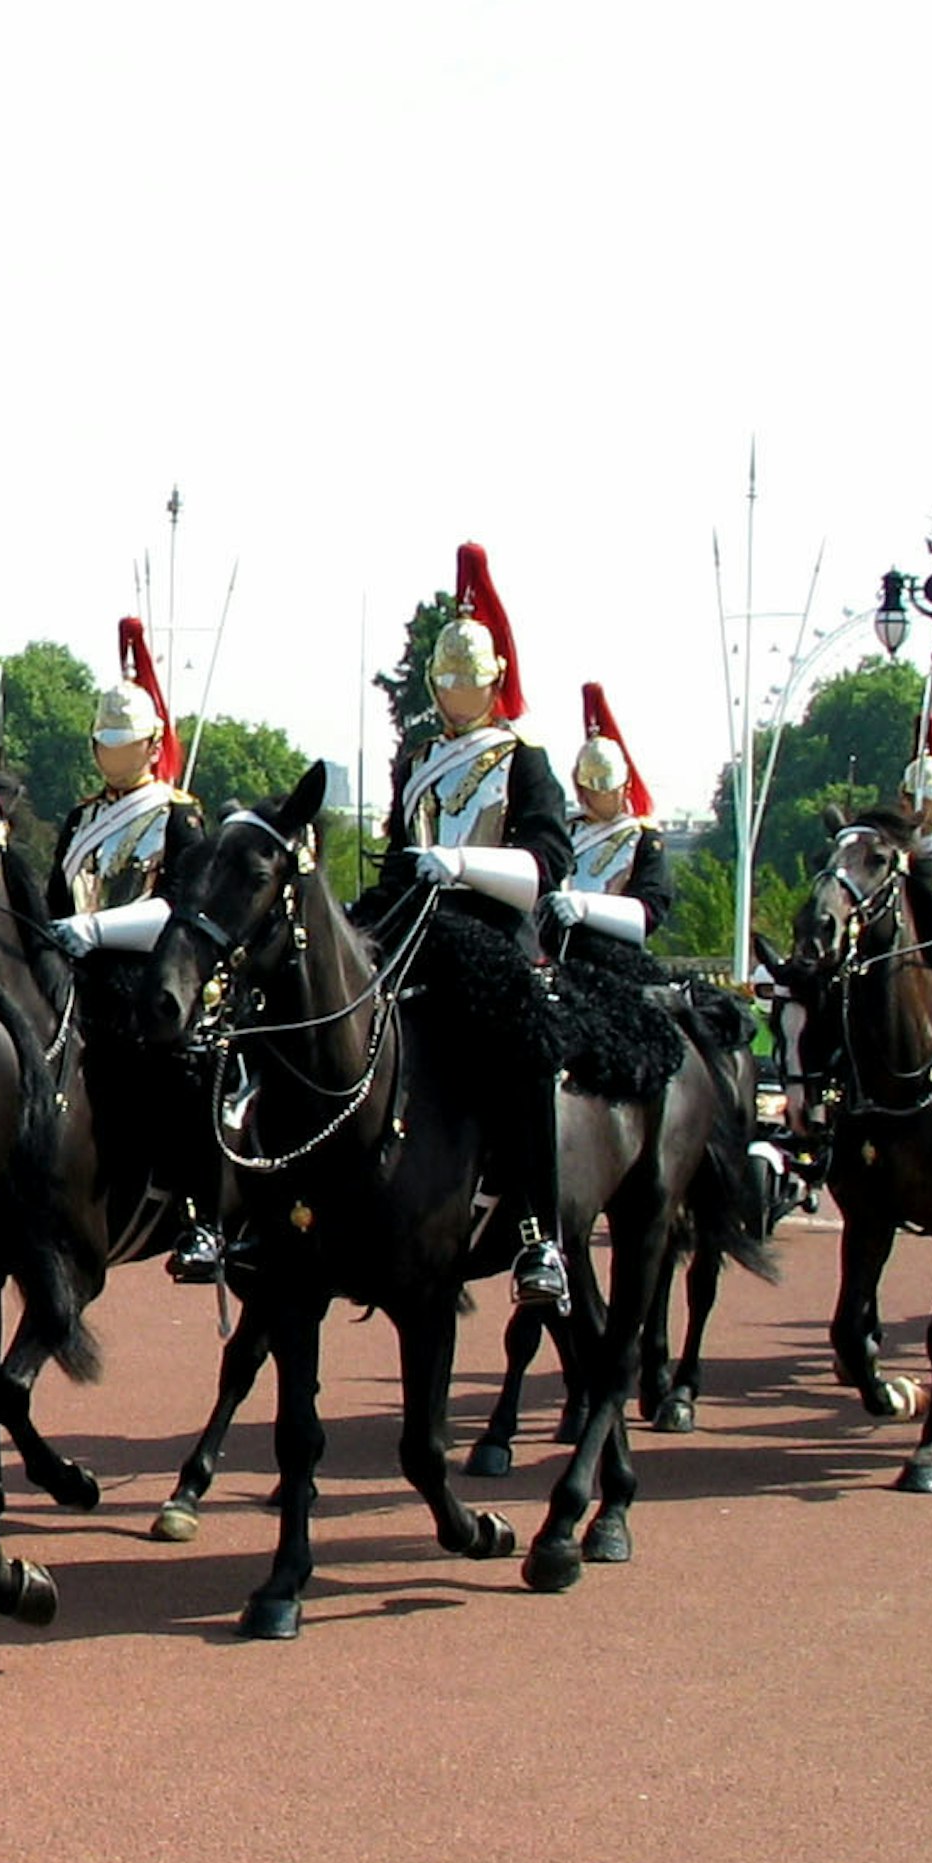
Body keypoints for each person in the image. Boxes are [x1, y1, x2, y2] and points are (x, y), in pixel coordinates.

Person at [385, 544, 573, 1313]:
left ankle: (538, 1231)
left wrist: (459, 866)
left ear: (495, 681)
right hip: (417, 930)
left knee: (523, 1058)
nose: (458, 689)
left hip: (495, 938)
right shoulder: (418, 757)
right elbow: (400, 858)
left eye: (471, 677)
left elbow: (545, 866)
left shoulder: (525, 760)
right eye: (448, 677)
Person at [39, 620, 219, 1276]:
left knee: (181, 1068)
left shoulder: (178, 813)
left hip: (150, 974)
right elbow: (62, 897)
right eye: (104, 743)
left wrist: (98, 931)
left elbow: (181, 907)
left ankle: (200, 1213)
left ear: (151, 744)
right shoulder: (82, 818)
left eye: (126, 743)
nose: (113, 755)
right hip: (78, 969)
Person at [555, 683, 670, 945]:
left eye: (612, 789)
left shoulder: (643, 838)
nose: (606, 797)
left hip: (617, 949)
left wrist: (587, 907)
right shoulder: (563, 835)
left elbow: (650, 912)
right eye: (596, 791)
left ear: (625, 785)